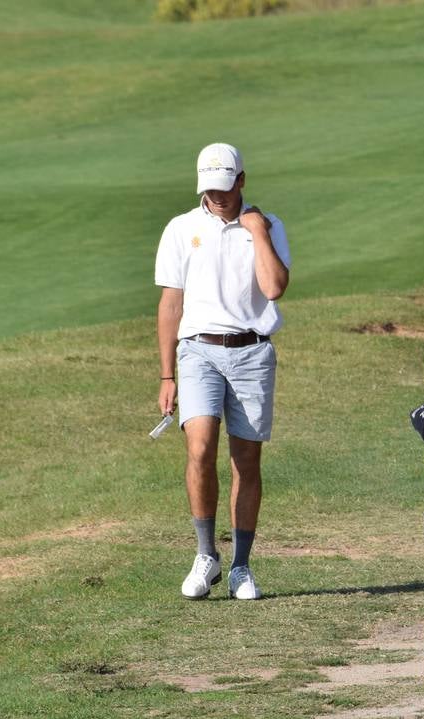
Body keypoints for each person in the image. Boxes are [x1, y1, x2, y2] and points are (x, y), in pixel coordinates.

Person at [154, 142, 291, 600]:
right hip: (198, 352)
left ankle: (241, 567)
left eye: (226, 187)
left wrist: (256, 230)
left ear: (242, 181)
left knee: (246, 461)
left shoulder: (267, 226)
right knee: (200, 447)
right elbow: (171, 303)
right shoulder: (181, 228)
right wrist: (166, 375)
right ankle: (205, 554)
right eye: (209, 190)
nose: (218, 197)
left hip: (252, 353)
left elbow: (273, 287)